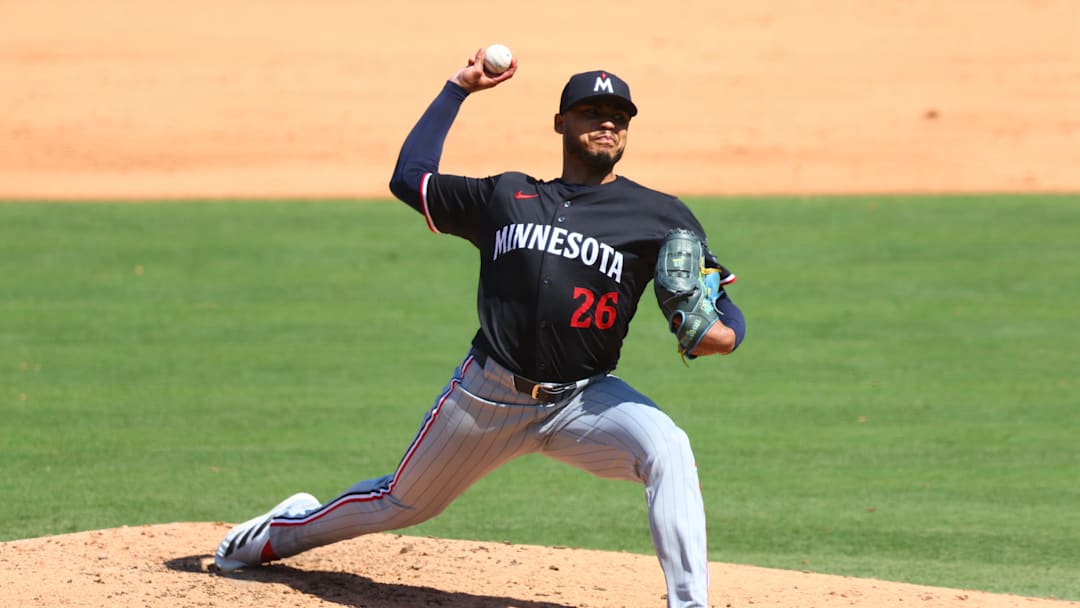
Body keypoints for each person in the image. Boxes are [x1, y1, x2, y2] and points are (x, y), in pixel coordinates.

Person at [214, 47, 746, 608]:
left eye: (618, 115)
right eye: (591, 111)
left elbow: (718, 298)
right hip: (487, 397)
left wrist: (725, 333)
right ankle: (276, 534)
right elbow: (410, 178)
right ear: (561, 123)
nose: (606, 122)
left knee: (669, 449)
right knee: (400, 503)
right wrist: (456, 89)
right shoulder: (506, 197)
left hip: (587, 401)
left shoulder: (660, 215)